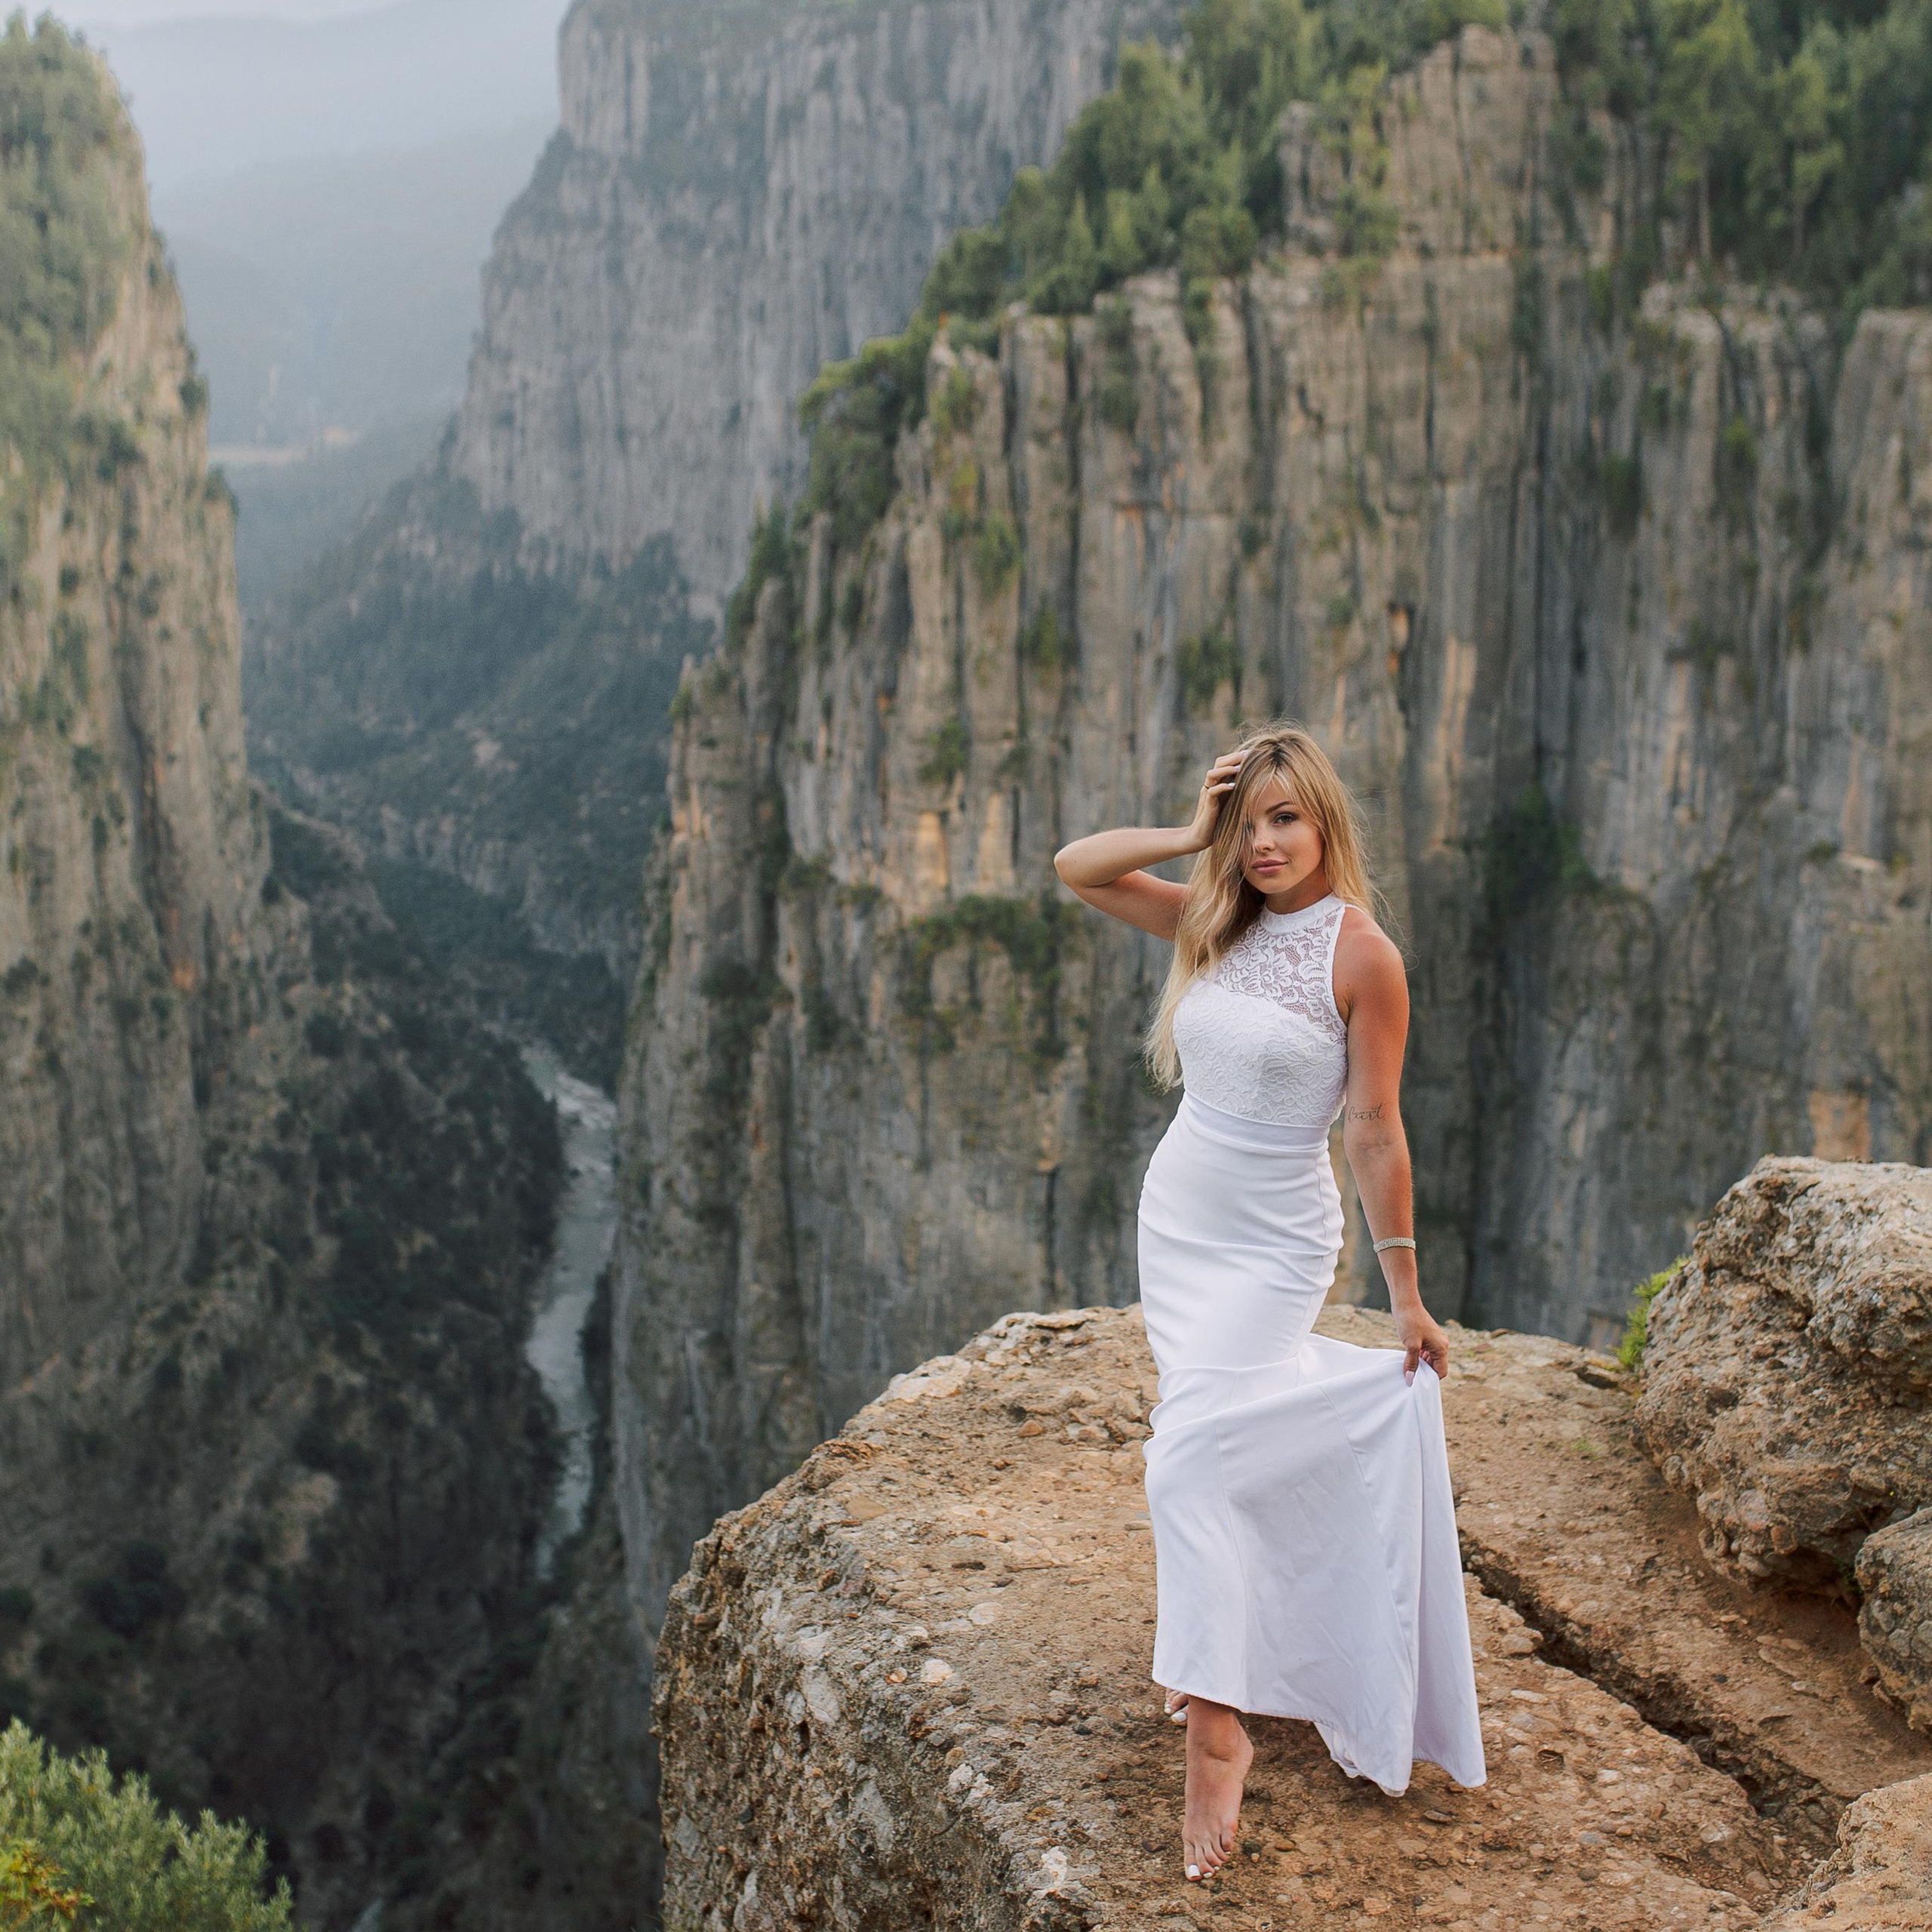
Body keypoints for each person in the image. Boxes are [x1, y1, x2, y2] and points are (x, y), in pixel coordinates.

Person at [1052, 720, 1486, 1882]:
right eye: (1249, 826)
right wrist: (1195, 833)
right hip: (1184, 1216)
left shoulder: (1362, 956)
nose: (1266, 845)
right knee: (1219, 1437)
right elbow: (1077, 867)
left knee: (1186, 1457)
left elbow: (1375, 1126)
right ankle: (1223, 1642)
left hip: (1277, 1238)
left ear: (1326, 820)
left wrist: (1406, 1296)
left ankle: (1216, 1723)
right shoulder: (1213, 918)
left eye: (1285, 819)